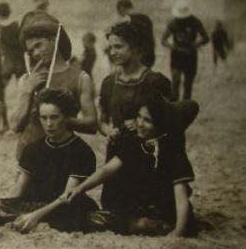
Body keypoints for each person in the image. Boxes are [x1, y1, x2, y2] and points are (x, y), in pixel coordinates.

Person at [64, 91, 200, 237]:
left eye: (147, 120)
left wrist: (178, 233)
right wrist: (80, 188)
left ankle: (158, 226)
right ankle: (143, 225)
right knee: (94, 220)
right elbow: (107, 170)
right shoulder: (135, 143)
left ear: (159, 123)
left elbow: (180, 198)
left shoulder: (172, 151)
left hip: (166, 209)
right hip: (140, 207)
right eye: (139, 117)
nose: (139, 123)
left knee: (143, 224)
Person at [0, 89, 99, 233]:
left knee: (69, 216)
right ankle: (28, 220)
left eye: (54, 117)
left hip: (64, 206)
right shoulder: (33, 149)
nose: (48, 124)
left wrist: (35, 216)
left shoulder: (81, 151)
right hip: (35, 203)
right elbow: (19, 189)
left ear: (66, 117)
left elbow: (66, 197)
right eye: (44, 118)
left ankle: (32, 221)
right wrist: (5, 205)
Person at [11, 12, 98, 161]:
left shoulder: (80, 78)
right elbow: (15, 125)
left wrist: (62, 119)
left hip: (61, 158)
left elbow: (92, 124)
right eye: (31, 51)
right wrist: (27, 91)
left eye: (39, 45)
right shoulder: (27, 79)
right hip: (28, 158)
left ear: (53, 40)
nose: (36, 53)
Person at [100, 21, 172, 158]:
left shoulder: (155, 81)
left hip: (146, 155)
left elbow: (171, 123)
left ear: (135, 48)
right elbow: (102, 121)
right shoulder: (109, 83)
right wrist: (109, 131)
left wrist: (142, 123)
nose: (113, 52)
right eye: (110, 47)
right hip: (115, 152)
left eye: (118, 47)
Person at [161, 0, 210, 100]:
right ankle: (174, 107)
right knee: (175, 81)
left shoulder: (195, 22)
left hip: (190, 55)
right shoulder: (173, 23)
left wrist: (195, 45)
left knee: (188, 84)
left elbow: (206, 38)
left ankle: (185, 110)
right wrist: (173, 47)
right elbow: (163, 40)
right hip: (177, 55)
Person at [0, 2, 22, 130]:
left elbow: (0, 48)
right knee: (24, 93)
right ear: (9, 12)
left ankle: (5, 124)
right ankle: (23, 124)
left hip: (8, 62)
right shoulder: (16, 25)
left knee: (0, 93)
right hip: (20, 62)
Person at [112, 0, 156, 68]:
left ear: (121, 9)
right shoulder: (145, 18)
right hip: (149, 55)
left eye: (119, 12)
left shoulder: (129, 21)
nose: (120, 15)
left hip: (139, 56)